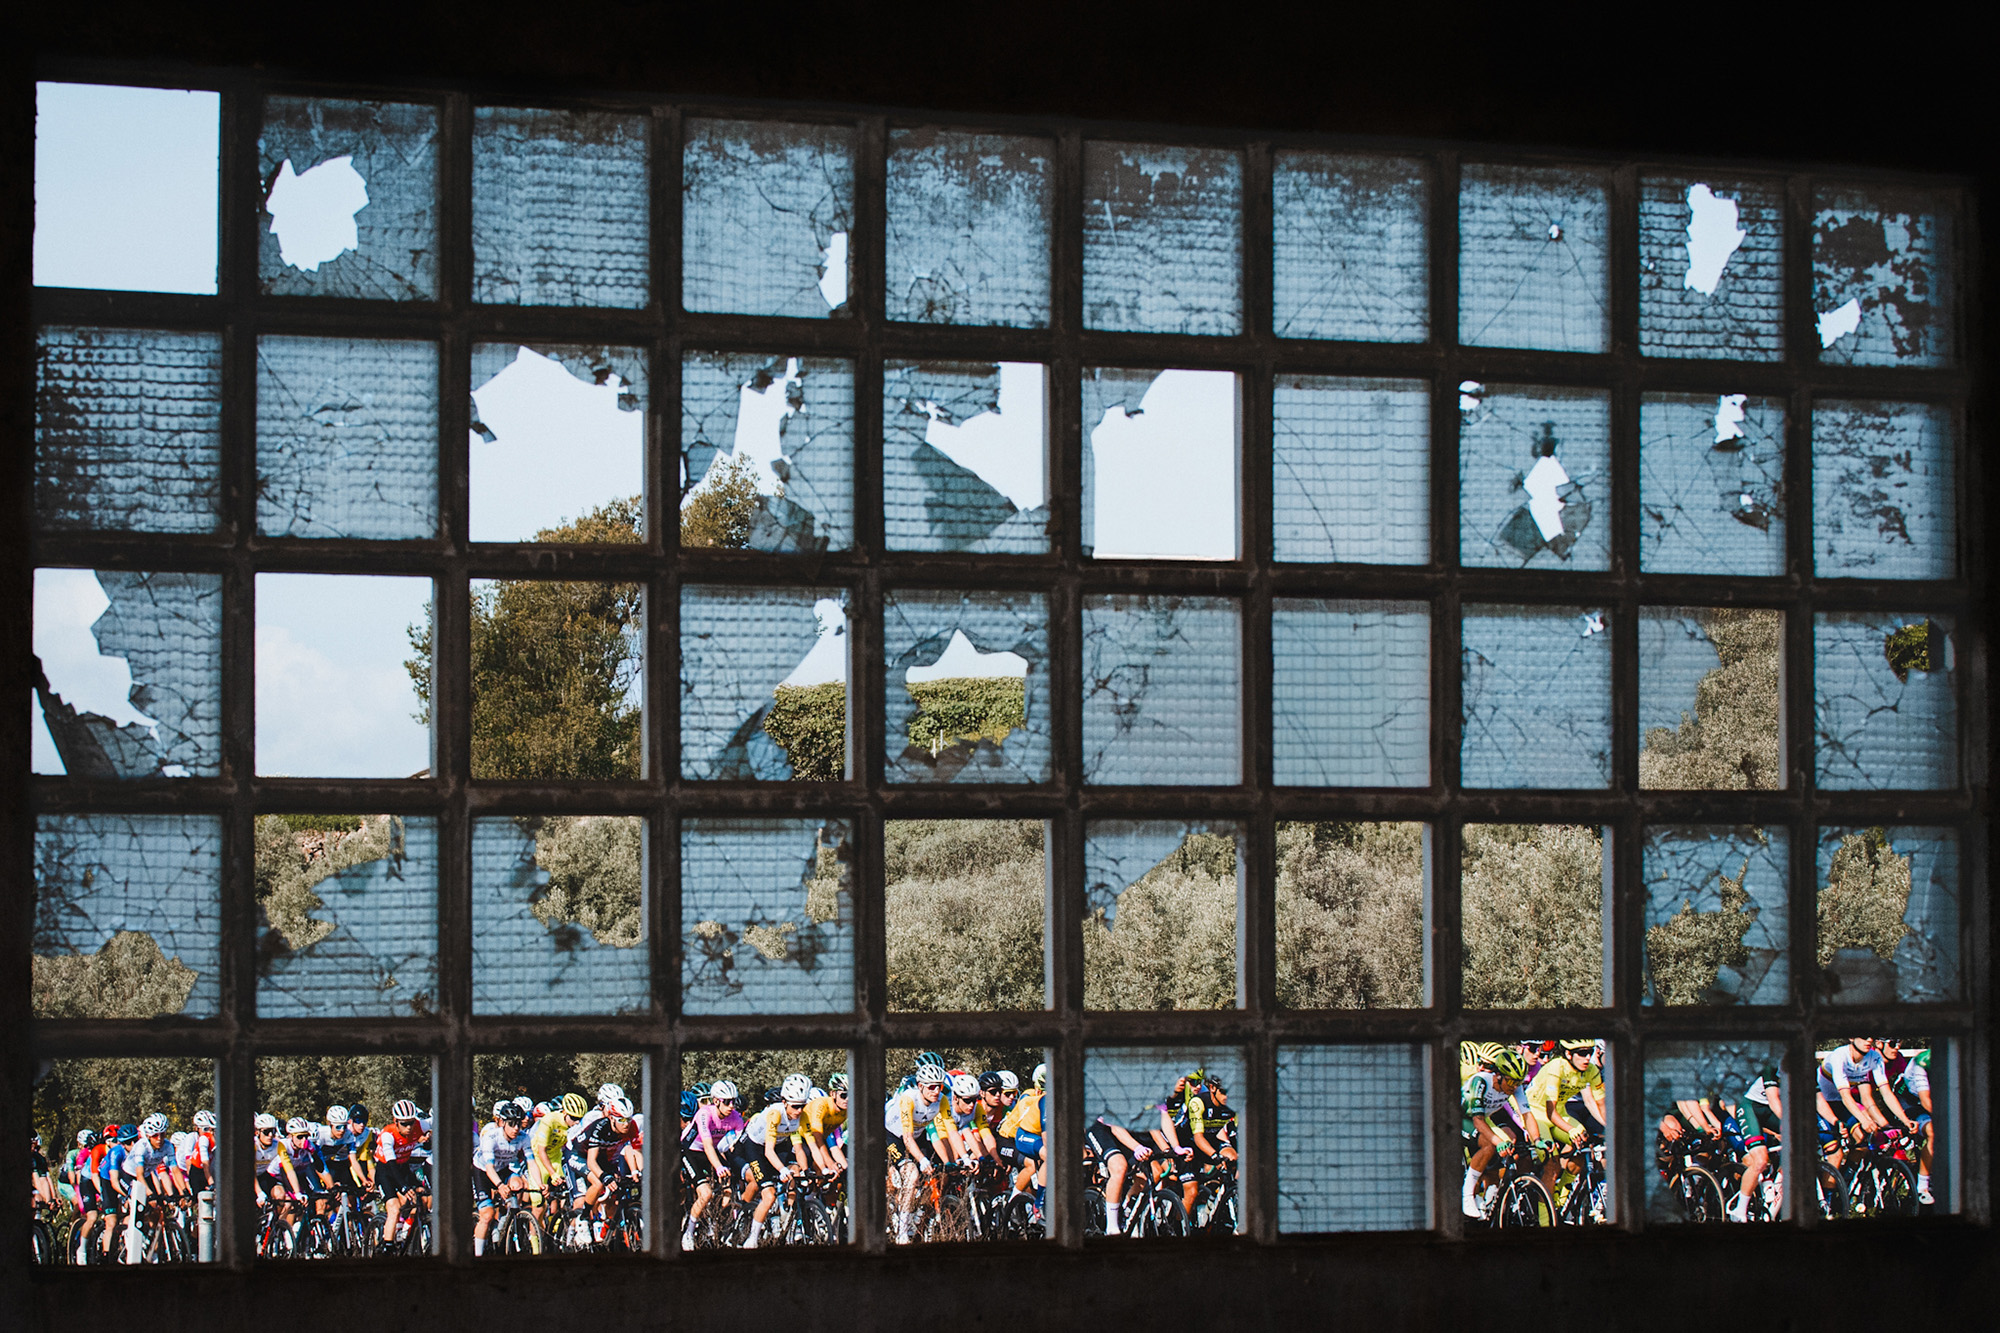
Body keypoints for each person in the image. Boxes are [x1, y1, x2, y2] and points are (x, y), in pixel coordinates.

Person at [732, 1073, 812, 1248]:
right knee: (769, 1195)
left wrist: (810, 1170)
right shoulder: (775, 1114)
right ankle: (752, 1240)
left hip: (778, 1146)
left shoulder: (801, 1116)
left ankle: (788, 1219)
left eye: (803, 1105)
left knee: (796, 1173)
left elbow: (804, 1148)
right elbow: (768, 1151)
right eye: (795, 1106)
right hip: (755, 1147)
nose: (799, 1110)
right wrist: (782, 1169)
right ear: (784, 1102)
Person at [885, 1057, 950, 1244]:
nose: (936, 1091)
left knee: (939, 1172)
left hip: (917, 1135)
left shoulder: (941, 1100)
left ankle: (918, 1210)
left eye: (939, 1086)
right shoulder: (909, 1099)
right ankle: (902, 1233)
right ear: (920, 1086)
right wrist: (922, 1160)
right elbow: (907, 1138)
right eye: (931, 1087)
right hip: (893, 1136)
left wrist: (962, 1159)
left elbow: (951, 1131)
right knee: (912, 1173)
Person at [1462, 1047, 1531, 1219]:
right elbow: (1477, 1120)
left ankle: (1490, 1195)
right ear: (1498, 1075)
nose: (1514, 1086)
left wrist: (1537, 1140)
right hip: (1459, 1117)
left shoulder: (1514, 1086)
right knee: (1489, 1144)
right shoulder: (1481, 1081)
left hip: (1482, 1118)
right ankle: (1467, 1194)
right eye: (1511, 1082)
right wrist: (1498, 1141)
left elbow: (1527, 1115)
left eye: (1518, 1082)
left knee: (1509, 1143)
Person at [681, 1080, 745, 1250]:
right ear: (716, 1101)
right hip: (691, 1151)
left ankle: (719, 1224)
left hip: (711, 1151)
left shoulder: (736, 1117)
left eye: (733, 1101)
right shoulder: (704, 1114)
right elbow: (708, 1145)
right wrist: (718, 1167)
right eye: (727, 1102)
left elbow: (736, 1145)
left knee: (729, 1188)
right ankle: (688, 1233)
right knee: (706, 1193)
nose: (731, 1106)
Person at [472, 1100, 531, 1256]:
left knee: (518, 1184)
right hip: (483, 1171)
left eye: (519, 1124)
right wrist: (500, 1185)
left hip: (502, 1169)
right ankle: (478, 1256)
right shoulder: (491, 1137)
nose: (516, 1128)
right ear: (503, 1123)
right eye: (512, 1124)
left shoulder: (523, 1137)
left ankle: (504, 1224)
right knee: (487, 1215)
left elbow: (532, 1163)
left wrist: (538, 1184)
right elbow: (489, 1168)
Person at [1882, 1041, 1937, 1205]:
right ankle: (1922, 1188)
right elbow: (1926, 1101)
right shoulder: (1922, 1063)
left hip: (1929, 1100)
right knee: (1933, 1132)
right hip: (1908, 1102)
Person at [374, 1099, 431, 1254]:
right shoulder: (388, 1135)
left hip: (403, 1168)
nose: (409, 1127)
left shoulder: (420, 1125)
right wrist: (404, 1187)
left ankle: (403, 1230)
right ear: (395, 1121)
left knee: (420, 1199)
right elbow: (391, 1164)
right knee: (393, 1208)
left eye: (411, 1123)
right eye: (404, 1124)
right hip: (386, 1171)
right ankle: (388, 1247)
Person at [1728, 1066, 1783, 1221]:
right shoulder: (1772, 1066)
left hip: (1770, 1111)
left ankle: (1776, 1186)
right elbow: (1773, 1100)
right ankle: (1739, 1210)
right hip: (1750, 1108)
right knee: (1760, 1161)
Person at [798, 1073, 850, 1179]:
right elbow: (817, 1140)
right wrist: (829, 1163)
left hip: (823, 1136)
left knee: (844, 1171)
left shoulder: (846, 1111)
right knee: (822, 1167)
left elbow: (834, 1147)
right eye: (843, 1095)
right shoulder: (821, 1105)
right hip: (805, 1135)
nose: (847, 1099)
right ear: (833, 1094)